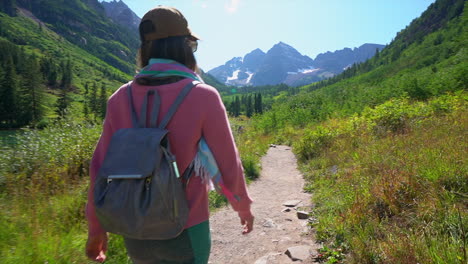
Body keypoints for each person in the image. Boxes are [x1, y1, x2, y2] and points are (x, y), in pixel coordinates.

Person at [85, 6, 254, 264]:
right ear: (184, 47)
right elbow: (228, 163)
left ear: (146, 49)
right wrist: (242, 205)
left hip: (134, 226)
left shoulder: (120, 98)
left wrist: (96, 227)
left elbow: (99, 169)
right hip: (186, 226)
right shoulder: (203, 96)